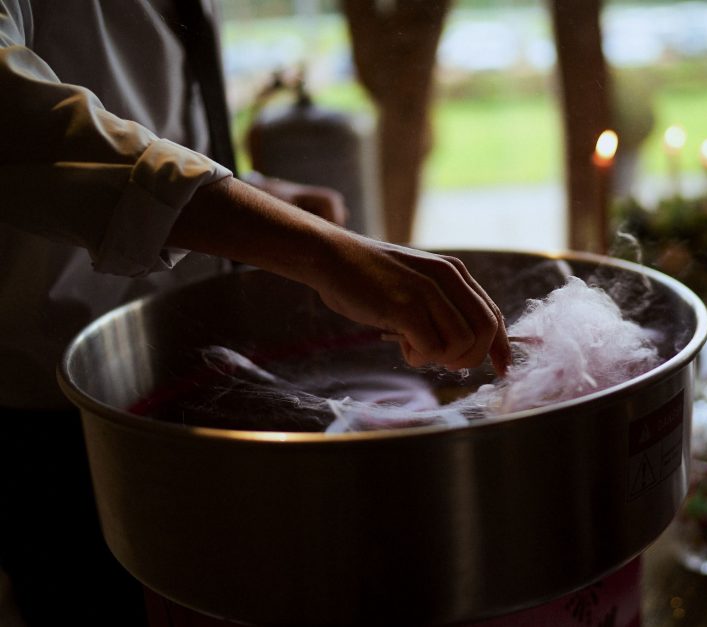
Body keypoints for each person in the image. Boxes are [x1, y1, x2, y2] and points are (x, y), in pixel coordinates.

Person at [0, 1, 510, 625]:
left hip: (182, 374)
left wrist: (259, 199)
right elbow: (18, 119)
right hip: (47, 416)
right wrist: (322, 253)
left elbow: (135, 116)